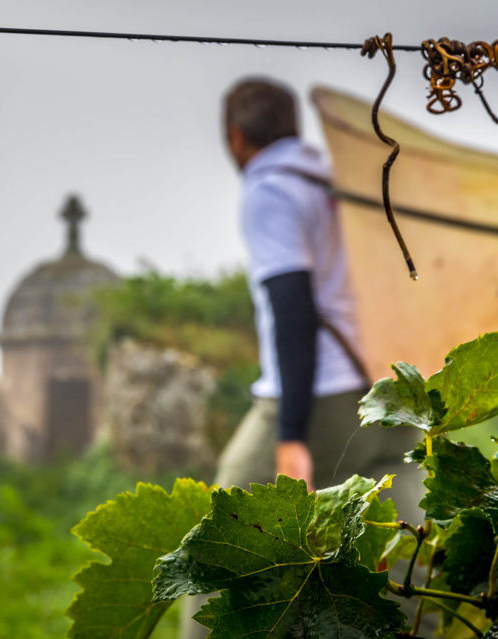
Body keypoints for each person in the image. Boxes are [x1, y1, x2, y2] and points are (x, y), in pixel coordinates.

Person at [180, 77, 423, 638]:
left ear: (236, 137)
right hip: (394, 392)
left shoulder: (270, 189)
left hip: (325, 399)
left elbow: (292, 310)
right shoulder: (342, 180)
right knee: (406, 550)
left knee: (221, 541)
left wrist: (290, 435)